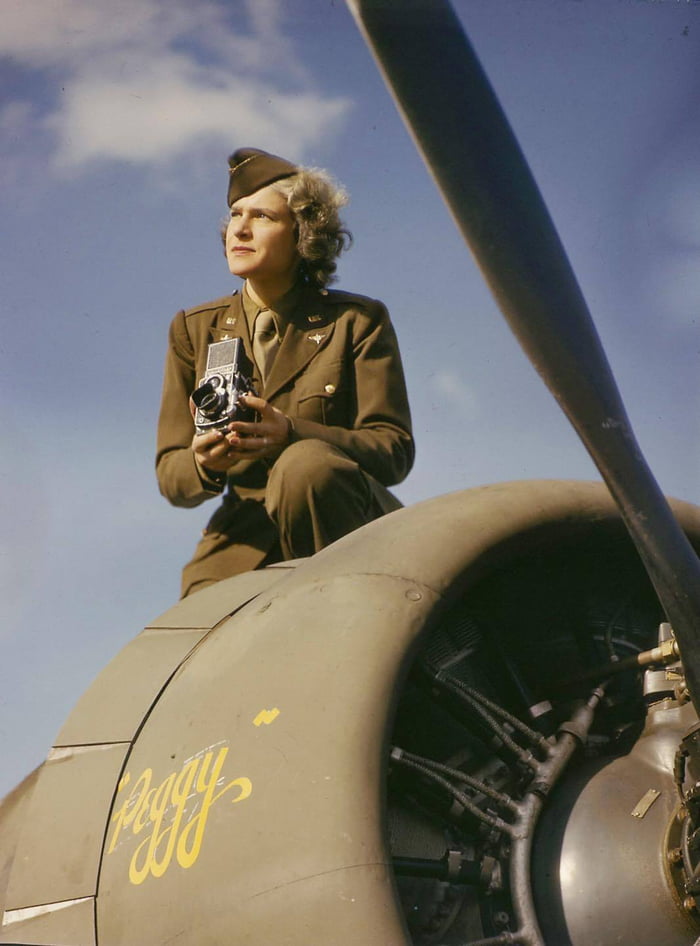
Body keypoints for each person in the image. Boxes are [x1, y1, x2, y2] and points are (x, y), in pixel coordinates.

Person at [156, 147, 414, 597]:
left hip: (345, 525)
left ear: (303, 234)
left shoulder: (357, 320)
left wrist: (291, 433)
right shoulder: (195, 329)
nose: (239, 228)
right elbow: (172, 475)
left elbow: (392, 452)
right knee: (190, 650)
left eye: (262, 216)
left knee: (306, 466)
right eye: (236, 214)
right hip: (243, 540)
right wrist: (205, 463)